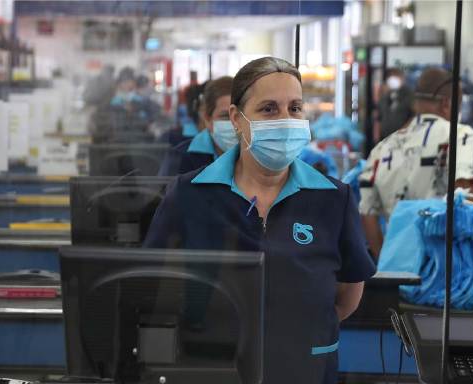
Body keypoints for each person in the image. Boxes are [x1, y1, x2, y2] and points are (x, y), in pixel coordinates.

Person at [144, 57, 376, 384]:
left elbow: (349, 293)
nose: (285, 119)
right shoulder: (189, 194)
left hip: (304, 369)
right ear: (238, 119)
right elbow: (150, 283)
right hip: (212, 368)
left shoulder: (333, 198)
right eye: (269, 109)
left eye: (295, 108)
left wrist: (300, 334)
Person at [359, 67, 473, 257]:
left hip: (398, 264)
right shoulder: (460, 135)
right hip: (444, 265)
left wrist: (386, 261)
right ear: (447, 104)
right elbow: (465, 191)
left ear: (416, 104)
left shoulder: (382, 148)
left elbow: (367, 212)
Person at [158, 76, 235, 176]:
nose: (235, 123)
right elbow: (165, 190)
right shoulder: (181, 157)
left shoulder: (257, 155)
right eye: (225, 116)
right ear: (207, 118)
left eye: (241, 116)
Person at [377, 68, 415, 140]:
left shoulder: (409, 94)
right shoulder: (385, 94)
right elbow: (380, 116)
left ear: (402, 78)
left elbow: (413, 115)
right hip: (385, 136)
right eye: (390, 77)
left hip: (402, 137)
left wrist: (403, 130)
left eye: (396, 77)